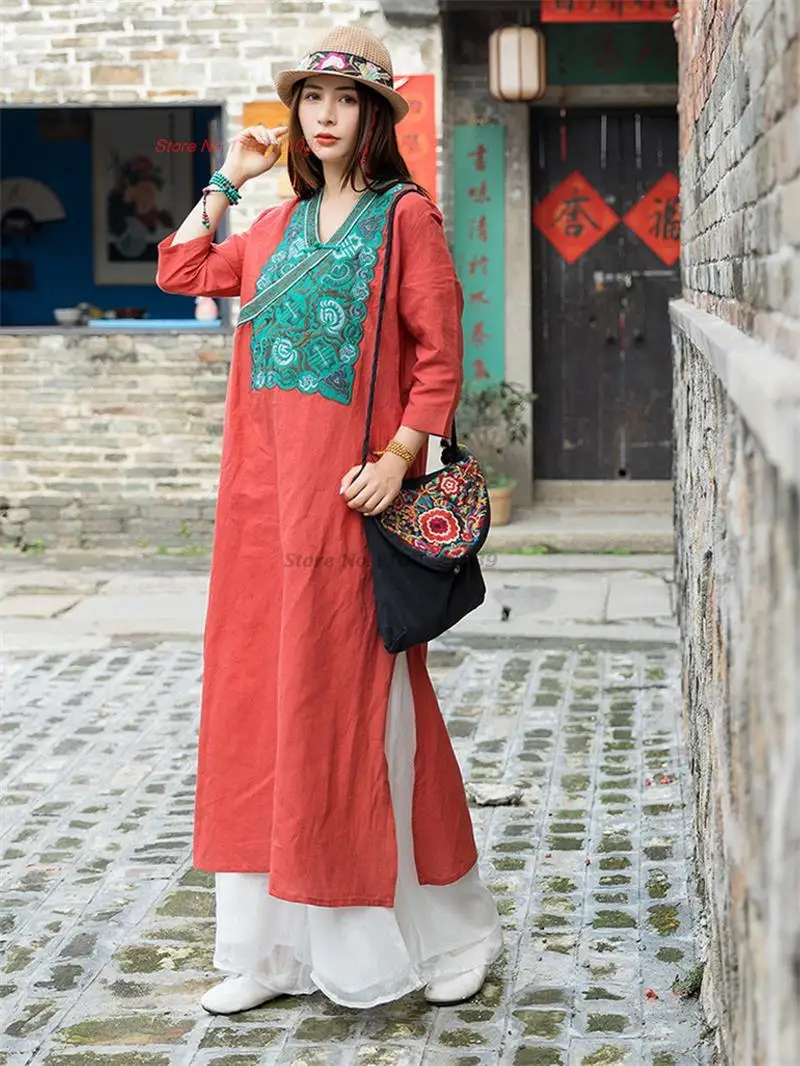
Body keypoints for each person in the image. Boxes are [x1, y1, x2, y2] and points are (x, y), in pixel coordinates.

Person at [156, 24, 503, 1015]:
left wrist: (397, 460)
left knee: (366, 723)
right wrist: (229, 175)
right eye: (310, 97)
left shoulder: (405, 220)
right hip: (262, 515)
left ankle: (437, 937)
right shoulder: (266, 231)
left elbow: (438, 359)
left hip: (353, 514)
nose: (322, 115)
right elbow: (180, 271)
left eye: (344, 100)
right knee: (262, 712)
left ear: (375, 117)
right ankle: (267, 954)